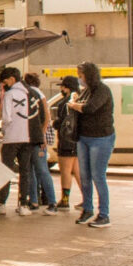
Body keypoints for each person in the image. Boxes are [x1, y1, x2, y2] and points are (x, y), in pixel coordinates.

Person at [68, 62, 115, 228]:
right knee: (85, 176)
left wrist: (74, 105)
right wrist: (76, 102)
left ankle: (104, 214)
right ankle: (87, 209)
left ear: (89, 75)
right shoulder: (86, 91)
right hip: (84, 137)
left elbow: (90, 108)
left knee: (98, 175)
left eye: (81, 75)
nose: (80, 79)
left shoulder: (102, 90)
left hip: (100, 138)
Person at [0, 67, 34, 215]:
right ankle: (23, 204)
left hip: (11, 137)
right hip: (26, 137)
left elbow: (6, 117)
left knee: (6, 170)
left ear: (11, 79)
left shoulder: (9, 95)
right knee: (25, 171)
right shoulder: (28, 94)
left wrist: (4, 130)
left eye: (4, 82)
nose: (4, 85)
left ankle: (1, 203)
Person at [24, 72, 60, 215]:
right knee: (33, 170)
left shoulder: (36, 94)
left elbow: (46, 116)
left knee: (40, 169)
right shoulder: (36, 93)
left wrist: (42, 135)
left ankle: (50, 202)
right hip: (35, 137)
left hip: (36, 138)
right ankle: (34, 200)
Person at [52, 75, 82, 208]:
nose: (62, 89)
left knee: (65, 170)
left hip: (66, 140)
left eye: (63, 87)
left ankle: (65, 200)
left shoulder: (64, 104)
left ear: (67, 88)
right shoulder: (81, 100)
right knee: (77, 171)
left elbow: (61, 123)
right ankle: (87, 198)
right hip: (79, 140)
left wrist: (55, 123)